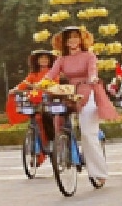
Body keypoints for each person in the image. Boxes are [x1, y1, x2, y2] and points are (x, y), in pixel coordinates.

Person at [44, 26, 116, 187]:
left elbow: (92, 71)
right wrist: (40, 84)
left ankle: (99, 172)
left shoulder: (89, 56)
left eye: (75, 37)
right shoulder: (62, 59)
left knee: (88, 133)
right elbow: (50, 75)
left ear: (81, 40)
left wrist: (92, 78)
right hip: (69, 93)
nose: (72, 40)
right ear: (65, 42)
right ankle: (63, 148)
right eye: (69, 38)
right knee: (58, 119)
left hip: (88, 91)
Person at [7, 49, 56, 166]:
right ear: (37, 61)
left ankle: (51, 143)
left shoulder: (53, 72)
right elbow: (24, 84)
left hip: (49, 104)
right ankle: (38, 153)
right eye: (41, 58)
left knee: (46, 119)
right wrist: (14, 90)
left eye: (46, 58)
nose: (43, 60)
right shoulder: (33, 74)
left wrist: (39, 87)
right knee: (35, 120)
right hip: (36, 104)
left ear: (50, 61)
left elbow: (55, 85)